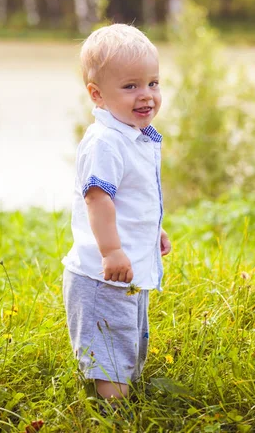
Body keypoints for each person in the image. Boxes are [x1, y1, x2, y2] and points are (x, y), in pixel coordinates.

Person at [62, 23, 171, 401]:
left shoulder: (134, 136)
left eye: (153, 83)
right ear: (97, 95)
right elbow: (98, 199)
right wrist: (111, 250)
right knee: (108, 348)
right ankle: (112, 412)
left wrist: (150, 232)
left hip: (125, 270)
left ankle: (119, 389)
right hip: (102, 276)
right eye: (130, 86)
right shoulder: (105, 142)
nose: (146, 96)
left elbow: (132, 199)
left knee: (126, 339)